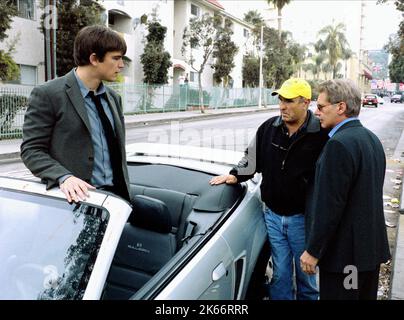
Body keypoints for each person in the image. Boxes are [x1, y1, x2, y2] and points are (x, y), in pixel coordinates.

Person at [210, 78, 329, 300]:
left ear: (306, 103)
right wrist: (235, 175)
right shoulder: (269, 128)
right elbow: (252, 159)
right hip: (272, 216)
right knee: (280, 275)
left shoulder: (321, 136)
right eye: (281, 100)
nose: (282, 106)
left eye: (289, 101)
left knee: (307, 278)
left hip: (303, 221)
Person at [300, 79, 391, 300]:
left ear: (340, 107)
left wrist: (313, 251)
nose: (316, 112)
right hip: (369, 253)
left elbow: (329, 206)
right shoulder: (371, 139)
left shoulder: (338, 145)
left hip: (346, 259)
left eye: (321, 107)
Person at [20, 25, 130, 203]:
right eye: (116, 58)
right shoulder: (49, 94)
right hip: (73, 202)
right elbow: (31, 150)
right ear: (94, 59)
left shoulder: (113, 98)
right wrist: (64, 177)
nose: (121, 65)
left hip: (115, 200)